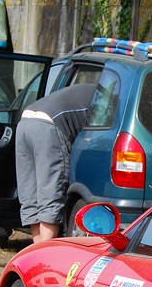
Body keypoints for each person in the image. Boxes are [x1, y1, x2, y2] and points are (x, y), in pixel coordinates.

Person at [15, 83, 99, 242]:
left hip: (25, 121)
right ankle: (45, 253)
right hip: (48, 125)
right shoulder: (106, 99)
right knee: (50, 193)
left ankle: (36, 250)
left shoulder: (87, 88)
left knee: (31, 194)